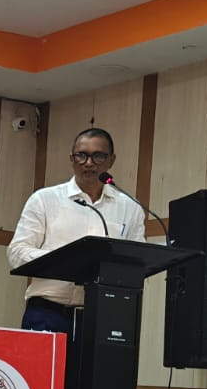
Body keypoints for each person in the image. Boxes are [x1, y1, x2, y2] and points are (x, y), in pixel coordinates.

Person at [8, 126, 145, 332]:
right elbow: (17, 252)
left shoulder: (130, 208)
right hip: (47, 311)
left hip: (104, 312)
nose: (88, 163)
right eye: (81, 155)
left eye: (98, 156)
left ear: (111, 160)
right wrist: (65, 260)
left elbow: (137, 262)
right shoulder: (44, 199)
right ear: (71, 159)